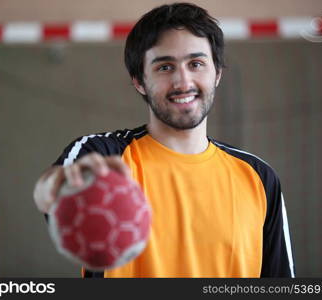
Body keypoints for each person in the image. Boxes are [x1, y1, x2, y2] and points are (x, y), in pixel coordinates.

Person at [33, 2, 295, 278]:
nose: (183, 81)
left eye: (196, 64)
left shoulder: (259, 177)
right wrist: (57, 187)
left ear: (217, 73)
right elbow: (49, 192)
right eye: (165, 67)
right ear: (139, 81)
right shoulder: (102, 156)